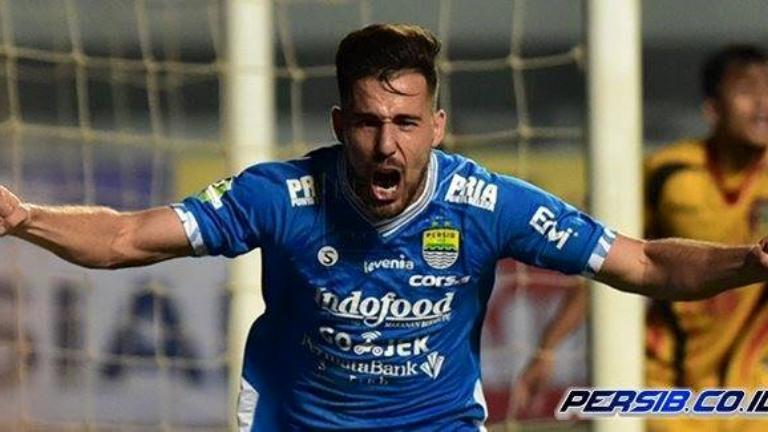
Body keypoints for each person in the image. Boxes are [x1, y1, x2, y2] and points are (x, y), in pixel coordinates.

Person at [2, 25, 768, 431]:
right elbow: (127, 238)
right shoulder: (280, 195)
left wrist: (753, 259)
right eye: (369, 123)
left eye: (405, 123)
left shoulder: (488, 203)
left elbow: (644, 264)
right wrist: (25, 217)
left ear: (437, 126)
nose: (386, 145)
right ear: (340, 123)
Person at [512, 44, 768, 432]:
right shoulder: (667, 174)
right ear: (712, 108)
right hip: (666, 384)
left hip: (753, 386)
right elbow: (607, 258)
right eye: (747, 91)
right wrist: (548, 348)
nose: (763, 103)